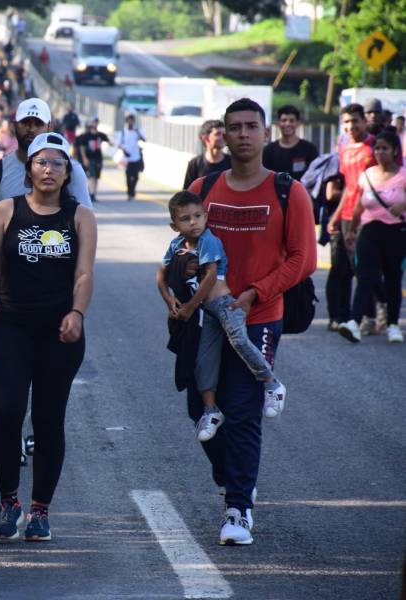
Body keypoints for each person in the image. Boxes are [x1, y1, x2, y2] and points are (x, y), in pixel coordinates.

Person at [187, 98, 316, 546]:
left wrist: (254, 294)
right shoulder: (204, 188)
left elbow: (304, 259)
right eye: (234, 127)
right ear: (222, 134)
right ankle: (232, 478)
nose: (242, 134)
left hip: (259, 318)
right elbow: (186, 248)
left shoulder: (288, 190)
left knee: (241, 411)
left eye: (250, 126)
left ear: (264, 134)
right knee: (201, 409)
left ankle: (239, 510)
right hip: (207, 319)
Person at [0, 132, 96, 542]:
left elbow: (85, 273)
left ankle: (40, 510)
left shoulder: (80, 217)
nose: (49, 170)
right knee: (6, 412)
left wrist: (77, 313)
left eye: (58, 164)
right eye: (41, 162)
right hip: (12, 326)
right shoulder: (6, 211)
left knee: (47, 419)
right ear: (28, 171)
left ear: (68, 175)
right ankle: (9, 502)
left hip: (60, 332)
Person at [157, 191, 286, 443]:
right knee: (203, 360)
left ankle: (272, 384)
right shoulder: (176, 245)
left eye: (197, 216)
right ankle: (211, 410)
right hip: (206, 313)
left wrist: (190, 307)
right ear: (175, 226)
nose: (193, 222)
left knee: (238, 339)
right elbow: (161, 274)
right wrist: (169, 299)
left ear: (206, 217)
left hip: (224, 304)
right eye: (185, 219)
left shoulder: (208, 240)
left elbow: (208, 278)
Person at [0, 98, 92, 304]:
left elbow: (84, 230)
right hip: (7, 287)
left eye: (38, 124)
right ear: (14, 125)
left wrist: (79, 286)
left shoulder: (72, 171)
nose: (31, 129)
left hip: (57, 286)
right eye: (25, 123)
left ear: (49, 127)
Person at [337, 130, 406, 344]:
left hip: (397, 232)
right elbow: (359, 205)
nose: (379, 152)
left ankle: (393, 325)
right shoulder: (366, 175)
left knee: (393, 278)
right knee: (366, 276)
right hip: (369, 231)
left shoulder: (403, 175)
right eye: (377, 148)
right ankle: (354, 323)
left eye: (385, 148)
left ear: (395, 150)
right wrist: (350, 230)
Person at [327, 104, 377, 333]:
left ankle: (370, 315)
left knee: (364, 267)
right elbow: (349, 186)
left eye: (355, 121)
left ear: (364, 121)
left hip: (369, 216)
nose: (351, 126)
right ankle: (341, 316)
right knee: (342, 268)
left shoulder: (375, 146)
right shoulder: (345, 149)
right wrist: (336, 216)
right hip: (347, 214)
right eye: (346, 122)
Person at [262, 105, 319, 181]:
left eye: (291, 121)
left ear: (298, 123)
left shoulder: (309, 149)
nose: (287, 124)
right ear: (278, 123)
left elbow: (316, 177)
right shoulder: (269, 151)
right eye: (284, 120)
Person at [183, 119, 231, 189]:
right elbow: (187, 193)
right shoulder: (195, 164)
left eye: (224, 134)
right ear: (205, 138)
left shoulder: (232, 163)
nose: (223, 137)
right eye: (217, 134)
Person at [74, 118, 110, 204]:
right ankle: (90, 194)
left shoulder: (100, 135)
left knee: (96, 177)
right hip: (90, 159)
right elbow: (81, 148)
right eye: (93, 124)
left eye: (96, 123)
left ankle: (93, 194)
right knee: (91, 177)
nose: (94, 126)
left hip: (98, 158)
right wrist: (84, 158)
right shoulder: (85, 136)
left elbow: (108, 140)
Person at [117, 113, 145, 201]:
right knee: (128, 177)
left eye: (132, 120)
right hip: (127, 158)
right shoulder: (123, 132)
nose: (130, 122)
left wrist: (138, 133)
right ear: (126, 121)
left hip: (136, 157)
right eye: (129, 120)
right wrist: (124, 150)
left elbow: (144, 139)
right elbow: (119, 144)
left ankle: (133, 190)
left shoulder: (137, 130)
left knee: (136, 177)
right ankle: (129, 193)